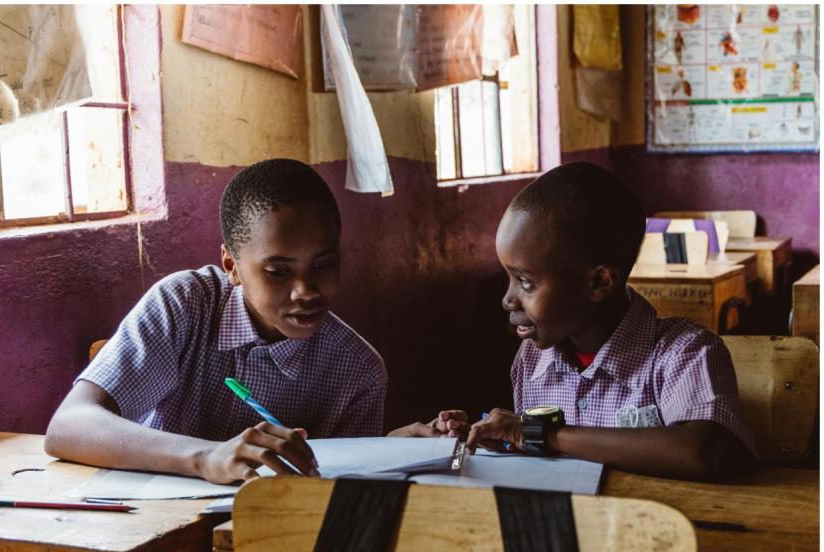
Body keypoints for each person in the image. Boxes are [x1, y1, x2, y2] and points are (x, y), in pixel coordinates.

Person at [45, 158, 387, 484]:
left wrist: (392, 448)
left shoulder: (357, 370)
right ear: (231, 266)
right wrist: (206, 458)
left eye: (324, 265)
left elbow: (342, 491)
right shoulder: (185, 307)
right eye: (278, 272)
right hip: (150, 523)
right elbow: (68, 427)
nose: (305, 291)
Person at [411, 162, 758, 482]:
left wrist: (538, 432)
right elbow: (540, 459)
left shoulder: (684, 351)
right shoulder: (532, 359)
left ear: (599, 283)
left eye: (526, 282)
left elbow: (704, 451)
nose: (508, 299)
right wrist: (495, 437)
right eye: (509, 278)